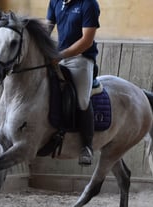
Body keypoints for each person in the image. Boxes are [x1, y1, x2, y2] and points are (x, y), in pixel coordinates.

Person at [46, 0, 100, 165]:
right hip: (58, 57)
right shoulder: (55, 2)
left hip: (81, 59)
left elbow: (86, 41)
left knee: (82, 100)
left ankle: (87, 147)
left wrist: (61, 55)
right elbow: (46, 29)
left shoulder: (89, 4)